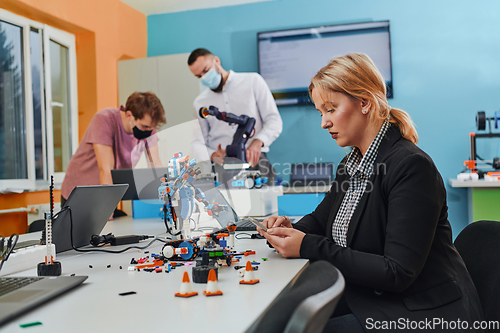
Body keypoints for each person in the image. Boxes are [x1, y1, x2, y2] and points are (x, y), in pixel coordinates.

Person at [258, 54, 484, 332]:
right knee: (279, 318)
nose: (324, 123)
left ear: (364, 103)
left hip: (424, 311)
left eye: (331, 109)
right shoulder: (351, 164)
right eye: (321, 112)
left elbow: (397, 272)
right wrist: (286, 229)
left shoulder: (411, 166)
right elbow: (319, 221)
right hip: (376, 298)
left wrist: (305, 245)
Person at [188, 48, 282, 183]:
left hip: (255, 161)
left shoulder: (252, 81)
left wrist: (258, 141)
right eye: (198, 76)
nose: (204, 77)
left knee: (265, 202)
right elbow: (197, 142)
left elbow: (274, 120)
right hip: (222, 167)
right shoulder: (200, 103)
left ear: (216, 61)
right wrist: (212, 155)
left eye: (206, 71)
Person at [61, 92, 166, 213]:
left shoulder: (148, 126)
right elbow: (106, 170)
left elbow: (156, 164)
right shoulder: (105, 119)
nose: (148, 131)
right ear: (129, 115)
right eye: (144, 126)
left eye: (151, 128)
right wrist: (107, 212)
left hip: (105, 192)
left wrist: (167, 199)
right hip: (80, 193)